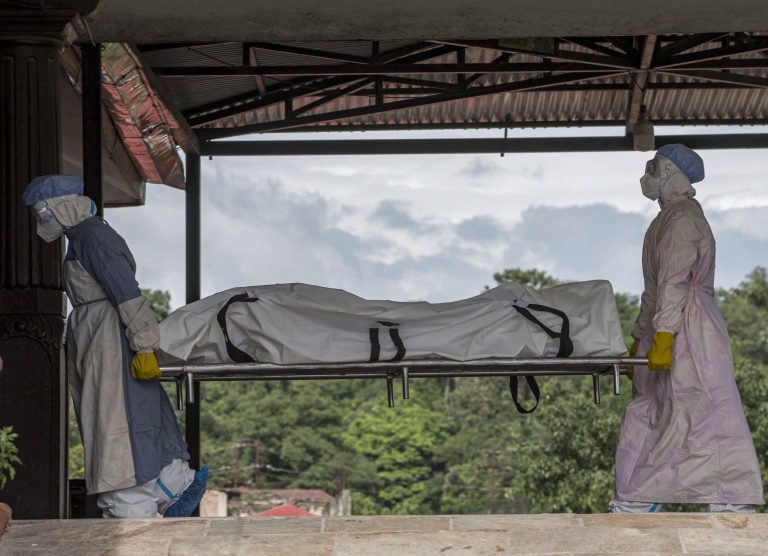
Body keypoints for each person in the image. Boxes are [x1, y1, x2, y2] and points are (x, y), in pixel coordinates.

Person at [22, 175, 208, 518]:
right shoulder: (80, 238)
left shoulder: (93, 236)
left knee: (117, 418)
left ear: (60, 207)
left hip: (109, 339)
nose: (40, 222)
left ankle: (150, 492)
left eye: (42, 212)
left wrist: (144, 344)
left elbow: (126, 292)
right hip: (96, 337)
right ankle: (166, 484)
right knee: (112, 417)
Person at [610, 144, 764, 513]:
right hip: (668, 323)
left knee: (699, 410)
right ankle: (641, 495)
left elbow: (675, 283)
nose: (647, 175)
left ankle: (730, 500)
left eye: (655, 167)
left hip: (689, 328)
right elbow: (655, 288)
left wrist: (662, 335)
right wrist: (640, 337)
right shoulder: (663, 222)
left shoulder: (683, 220)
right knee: (662, 411)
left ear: (672, 172)